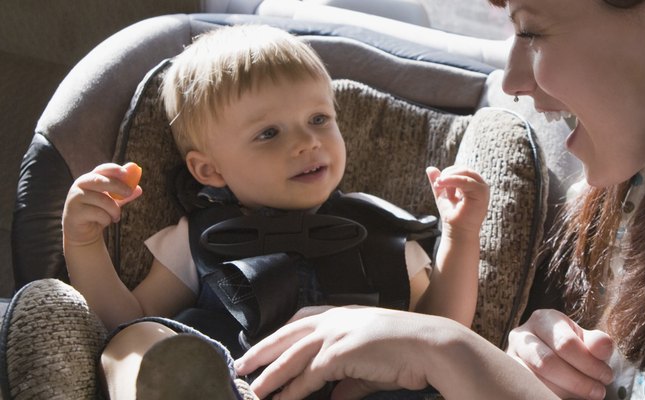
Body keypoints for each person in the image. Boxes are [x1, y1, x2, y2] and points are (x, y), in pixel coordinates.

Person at [232, 0, 645, 399]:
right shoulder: (638, 194)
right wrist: (521, 369)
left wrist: (447, 353)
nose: (513, 80)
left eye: (531, 31)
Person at [61, 24, 490, 399]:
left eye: (319, 119)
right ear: (209, 169)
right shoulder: (199, 238)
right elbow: (122, 321)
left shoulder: (380, 232)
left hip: (362, 391)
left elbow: (443, 331)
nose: (307, 142)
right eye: (269, 133)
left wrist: (460, 236)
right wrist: (84, 243)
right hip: (239, 385)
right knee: (133, 340)